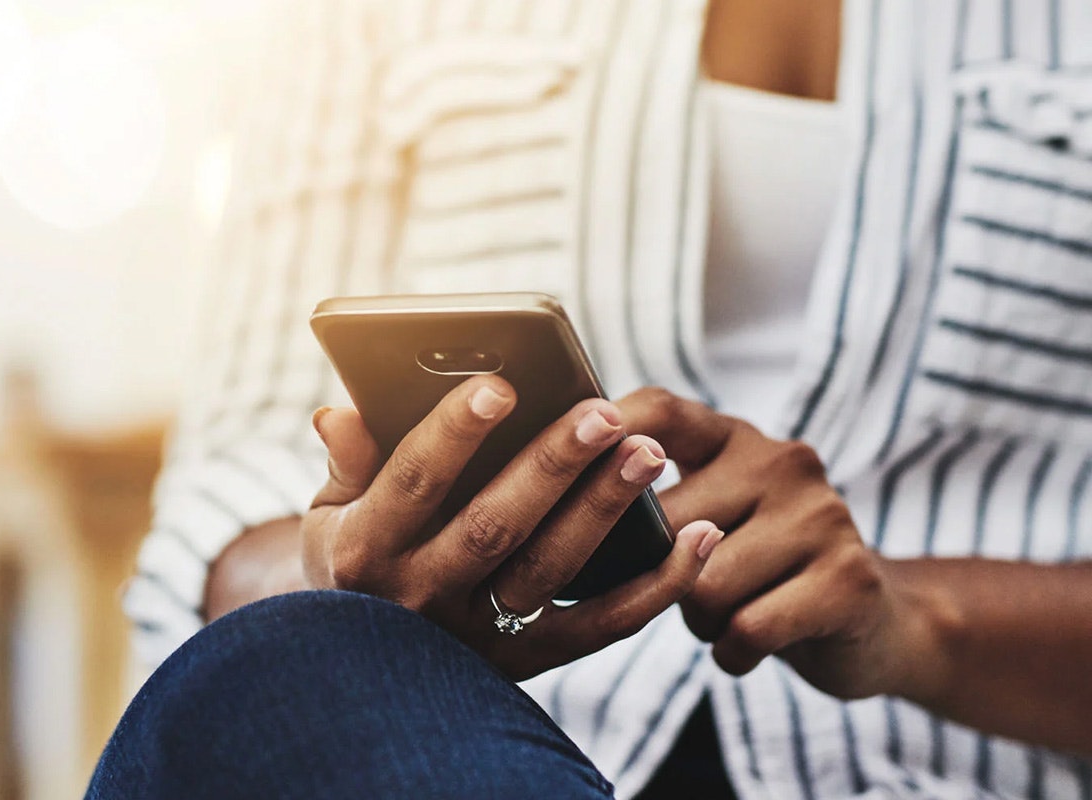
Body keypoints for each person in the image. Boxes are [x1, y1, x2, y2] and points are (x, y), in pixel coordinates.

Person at [97, 0, 1092, 797]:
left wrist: (919, 619)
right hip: (454, 746)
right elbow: (215, 507)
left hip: (950, 762)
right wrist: (344, 571)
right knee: (273, 661)